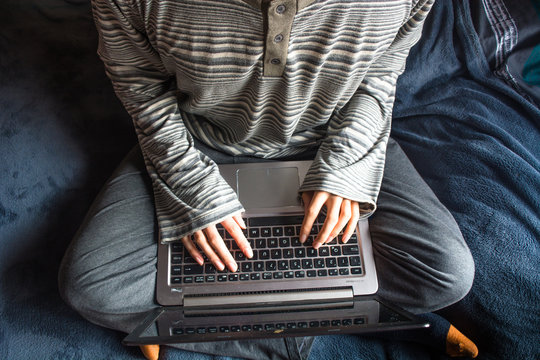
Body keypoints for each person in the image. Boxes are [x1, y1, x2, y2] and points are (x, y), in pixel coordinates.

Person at [59, 0, 476, 359]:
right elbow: (140, 86)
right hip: (196, 138)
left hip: (332, 136)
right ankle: (377, 325)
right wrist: (192, 190)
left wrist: (346, 167)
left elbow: (382, 71)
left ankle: (179, 328)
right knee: (91, 289)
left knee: (447, 275)